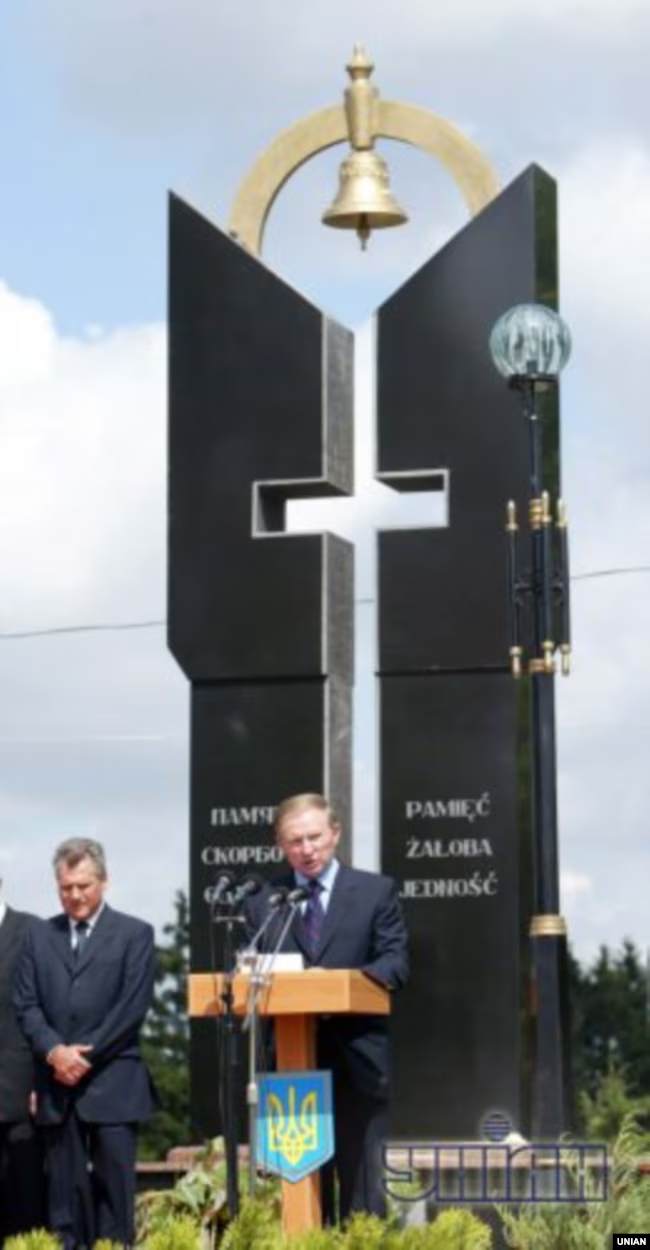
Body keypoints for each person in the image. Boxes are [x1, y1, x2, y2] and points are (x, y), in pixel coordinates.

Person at [245, 792, 409, 1223]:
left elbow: (395, 963)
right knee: (300, 1186)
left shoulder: (375, 891)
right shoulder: (266, 901)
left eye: (314, 837)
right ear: (281, 845)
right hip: (293, 1063)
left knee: (361, 1191)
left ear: (335, 834)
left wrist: (337, 985)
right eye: (295, 841)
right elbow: (251, 967)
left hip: (359, 1059)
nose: (307, 849)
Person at [14, 838, 157, 1250]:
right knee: (64, 1203)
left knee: (115, 1197)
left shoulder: (135, 933)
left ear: (104, 882)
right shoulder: (38, 936)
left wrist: (81, 1056)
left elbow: (131, 1008)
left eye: (84, 885)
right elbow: (26, 1004)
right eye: (65, 887)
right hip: (57, 1089)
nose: (74, 895)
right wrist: (55, 1052)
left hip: (113, 1083)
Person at [0, 879, 44, 1242]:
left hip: (22, 1098)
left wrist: (42, 1081)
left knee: (24, 1209)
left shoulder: (33, 932)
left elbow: (51, 1009)